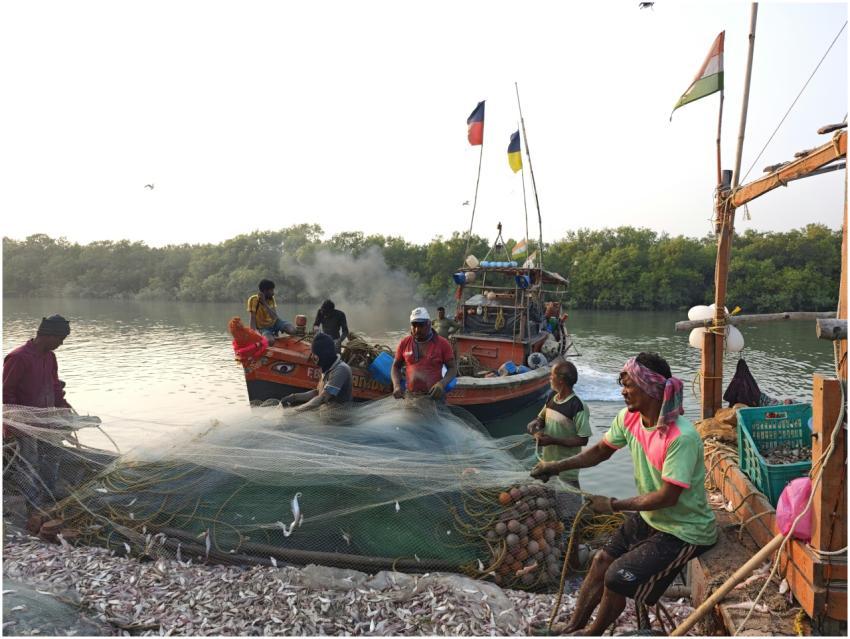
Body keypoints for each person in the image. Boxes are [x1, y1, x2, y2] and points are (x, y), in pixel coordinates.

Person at [531, 352, 717, 636]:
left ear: (650, 388)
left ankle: (592, 634)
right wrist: (556, 466)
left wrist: (613, 505)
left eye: (628, 385)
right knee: (600, 562)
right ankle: (573, 625)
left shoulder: (681, 437)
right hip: (652, 517)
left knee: (617, 577)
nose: (623, 391)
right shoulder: (629, 419)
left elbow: (668, 496)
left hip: (686, 530)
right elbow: (600, 452)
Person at [3, 315, 74, 535]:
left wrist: (63, 406)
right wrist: (16, 423)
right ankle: (33, 506)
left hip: (47, 422)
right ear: (48, 335)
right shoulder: (18, 357)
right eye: (60, 339)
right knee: (29, 463)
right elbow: (6, 394)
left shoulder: (50, 357)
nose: (61, 344)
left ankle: (48, 498)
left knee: (53, 456)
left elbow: (54, 386)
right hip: (23, 425)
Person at [526, 360, 591, 490]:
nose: (550, 378)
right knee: (545, 503)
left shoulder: (577, 406)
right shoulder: (552, 396)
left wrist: (553, 440)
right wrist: (535, 426)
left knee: (568, 504)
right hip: (546, 464)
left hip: (566, 470)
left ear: (561, 380)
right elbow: (541, 418)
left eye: (552, 375)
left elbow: (583, 440)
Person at [391, 307, 457, 401]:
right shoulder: (404, 343)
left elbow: (452, 368)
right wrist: (396, 386)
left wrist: (442, 384)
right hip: (410, 397)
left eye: (421, 325)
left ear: (429, 324)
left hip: (435, 398)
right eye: (414, 325)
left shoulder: (443, 343)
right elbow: (395, 367)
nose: (417, 329)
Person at [281, 333, 352, 412]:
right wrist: (294, 397)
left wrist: (294, 411)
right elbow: (318, 392)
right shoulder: (327, 368)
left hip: (338, 420)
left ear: (323, 355)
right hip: (326, 414)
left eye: (314, 355)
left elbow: (323, 398)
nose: (312, 358)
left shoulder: (341, 370)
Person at [246, 279, 296, 344]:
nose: (273, 293)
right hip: (263, 328)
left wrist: (265, 303)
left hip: (275, 323)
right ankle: (270, 336)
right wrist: (255, 333)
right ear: (265, 291)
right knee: (270, 341)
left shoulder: (271, 299)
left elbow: (274, 317)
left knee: (292, 330)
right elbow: (252, 319)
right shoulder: (253, 299)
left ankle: (275, 334)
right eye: (271, 290)